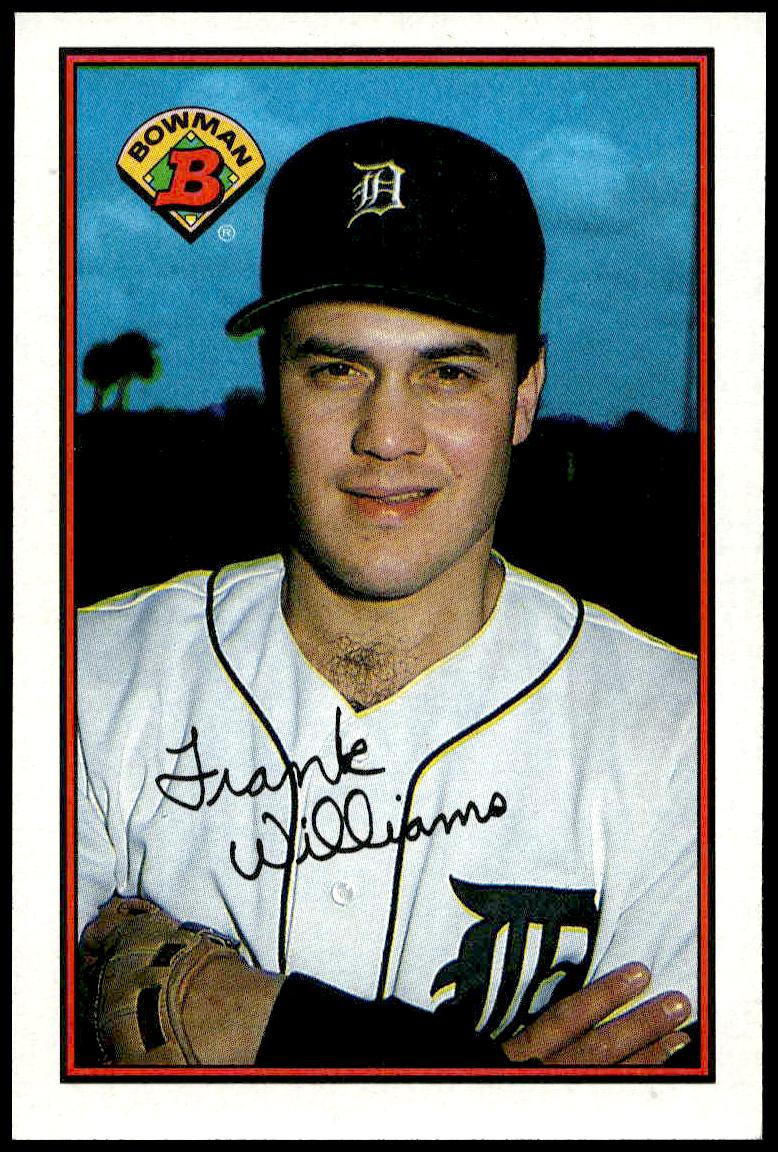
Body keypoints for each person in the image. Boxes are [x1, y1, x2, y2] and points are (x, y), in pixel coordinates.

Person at [76, 117, 698, 1069]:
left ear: (526, 392)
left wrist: (256, 1023)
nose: (387, 436)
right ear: (271, 383)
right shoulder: (82, 678)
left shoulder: (681, 727)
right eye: (336, 369)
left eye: (448, 374)